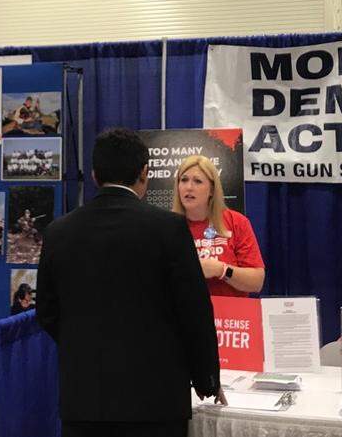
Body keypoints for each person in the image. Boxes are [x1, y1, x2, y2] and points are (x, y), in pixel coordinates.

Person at [37, 128, 222, 437]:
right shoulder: (169, 228)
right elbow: (194, 311)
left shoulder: (58, 232)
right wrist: (206, 379)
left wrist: (86, 346)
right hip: (156, 402)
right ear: (144, 174)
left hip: (85, 400)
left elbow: (46, 312)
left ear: (94, 175)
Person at [171, 155, 265, 297]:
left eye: (197, 181)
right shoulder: (166, 226)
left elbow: (256, 282)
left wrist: (221, 270)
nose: (189, 187)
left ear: (211, 190)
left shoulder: (236, 222)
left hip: (231, 315)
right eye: (184, 180)